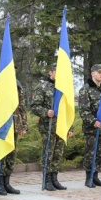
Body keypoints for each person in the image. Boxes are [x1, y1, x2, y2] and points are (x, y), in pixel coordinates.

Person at [0, 65, 28, 195]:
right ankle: (0, 184)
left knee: (11, 156)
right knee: (1, 155)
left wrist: (23, 125)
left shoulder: (17, 86)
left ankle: (7, 182)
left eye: (14, 70)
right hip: (1, 127)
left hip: (14, 127)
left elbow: (22, 107)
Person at [30, 63, 73, 191]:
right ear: (51, 72)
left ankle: (55, 178)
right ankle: (47, 179)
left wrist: (70, 127)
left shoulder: (64, 88)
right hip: (48, 126)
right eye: (57, 71)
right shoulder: (42, 87)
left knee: (58, 153)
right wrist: (45, 112)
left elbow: (68, 110)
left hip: (61, 126)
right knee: (48, 153)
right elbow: (34, 106)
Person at [78, 64, 101, 188]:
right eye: (99, 72)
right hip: (91, 128)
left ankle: (95, 176)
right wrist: (93, 121)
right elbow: (83, 110)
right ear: (92, 73)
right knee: (91, 153)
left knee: (100, 153)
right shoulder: (85, 89)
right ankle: (88, 178)